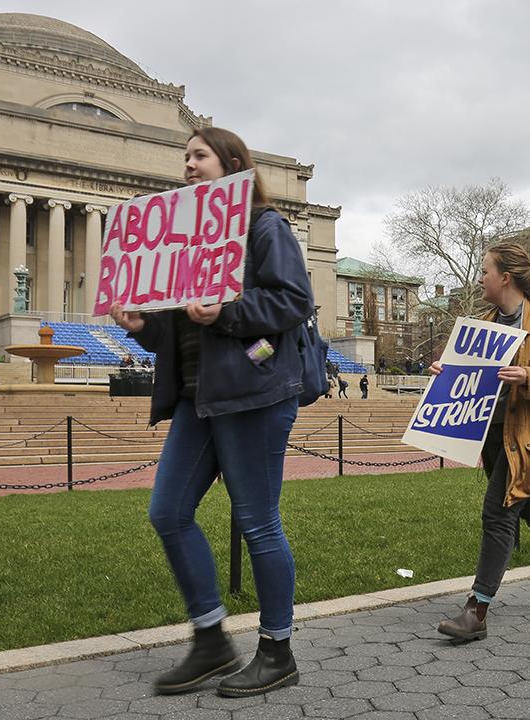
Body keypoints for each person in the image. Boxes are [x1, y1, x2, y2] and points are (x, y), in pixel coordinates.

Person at [109, 127, 314, 698]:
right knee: (168, 512)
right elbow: (180, 331)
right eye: (185, 158)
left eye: (198, 155)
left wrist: (225, 310)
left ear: (231, 164)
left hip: (254, 394)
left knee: (258, 523)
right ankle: (211, 641)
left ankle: (277, 650)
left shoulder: (264, 227)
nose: (188, 166)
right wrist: (145, 326)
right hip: (199, 399)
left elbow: (293, 301)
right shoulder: (185, 243)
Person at [435, 242, 530, 641]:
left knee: (498, 514)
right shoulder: (484, 324)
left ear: (505, 277)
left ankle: (477, 610)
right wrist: (446, 373)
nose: (480, 277)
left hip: (528, 439)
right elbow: (473, 379)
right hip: (494, 438)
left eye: (485, 270)